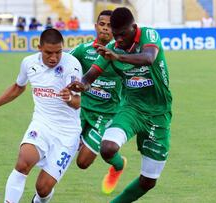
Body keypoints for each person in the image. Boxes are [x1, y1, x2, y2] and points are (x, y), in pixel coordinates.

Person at [68, 7, 172, 202]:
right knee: (107, 148)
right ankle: (117, 166)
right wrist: (81, 84)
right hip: (132, 109)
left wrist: (118, 57)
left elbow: (148, 58)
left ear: (133, 27)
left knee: (148, 181)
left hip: (159, 113)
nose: (119, 40)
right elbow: (90, 75)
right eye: (116, 36)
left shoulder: (148, 35)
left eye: (122, 34)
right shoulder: (114, 47)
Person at [0, 28, 82, 203]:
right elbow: (18, 87)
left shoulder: (72, 65)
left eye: (58, 52)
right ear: (39, 47)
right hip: (42, 124)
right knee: (23, 162)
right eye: (49, 53)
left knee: (43, 188)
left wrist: (69, 97)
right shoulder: (28, 63)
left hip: (67, 134)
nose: (54, 57)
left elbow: (77, 101)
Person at [69, 9, 127, 195]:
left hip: (106, 114)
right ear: (95, 27)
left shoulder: (121, 55)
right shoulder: (83, 51)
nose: (105, 29)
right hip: (81, 110)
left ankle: (119, 165)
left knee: (83, 163)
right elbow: (64, 63)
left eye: (110, 26)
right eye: (102, 24)